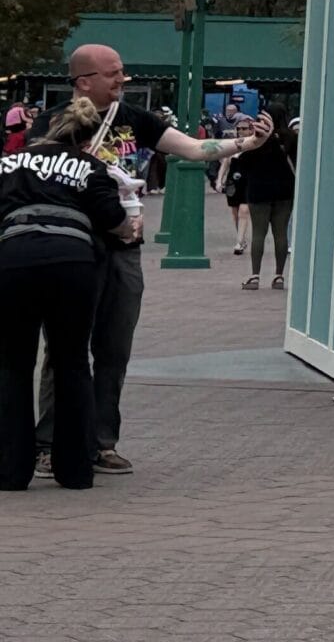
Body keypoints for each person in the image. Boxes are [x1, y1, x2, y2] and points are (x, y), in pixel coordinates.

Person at [35, 43, 273, 477]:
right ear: (83, 81)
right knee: (65, 348)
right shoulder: (53, 123)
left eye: (122, 71)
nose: (121, 80)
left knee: (114, 348)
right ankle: (51, 442)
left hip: (124, 248)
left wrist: (246, 142)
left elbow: (192, 149)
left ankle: (102, 441)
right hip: (74, 247)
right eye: (112, 74)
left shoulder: (135, 119)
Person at [2, 98, 138, 490]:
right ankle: (74, 469)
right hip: (73, 263)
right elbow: (114, 221)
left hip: (14, 258)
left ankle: (11, 469)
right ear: (84, 139)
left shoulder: (7, 164)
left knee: (12, 364)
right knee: (73, 362)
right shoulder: (90, 166)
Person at [233, 113, 296, 290]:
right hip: (285, 190)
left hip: (258, 190)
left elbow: (243, 163)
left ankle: (255, 276)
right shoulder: (291, 138)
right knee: (281, 233)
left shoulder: (258, 139)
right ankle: (279, 276)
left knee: (259, 233)